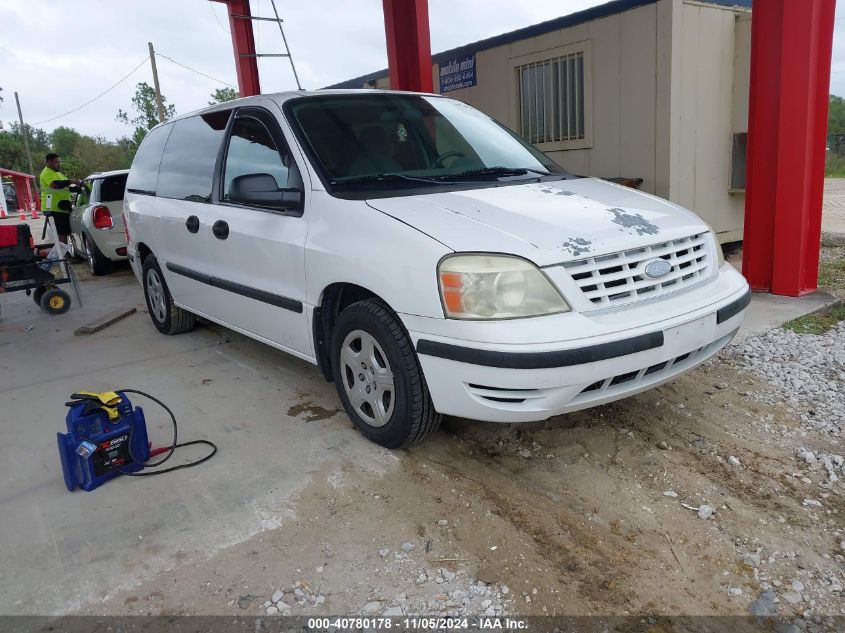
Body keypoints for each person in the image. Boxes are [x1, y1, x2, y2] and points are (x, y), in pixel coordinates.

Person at [39, 152, 79, 244]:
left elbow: (66, 188)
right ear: (48, 162)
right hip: (53, 208)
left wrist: (79, 188)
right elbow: (55, 185)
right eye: (56, 162)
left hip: (62, 208)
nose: (58, 164)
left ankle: (65, 253)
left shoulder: (59, 174)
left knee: (65, 232)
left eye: (59, 162)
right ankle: (64, 256)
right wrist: (71, 181)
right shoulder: (46, 173)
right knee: (61, 233)